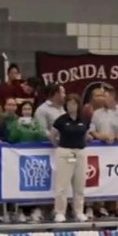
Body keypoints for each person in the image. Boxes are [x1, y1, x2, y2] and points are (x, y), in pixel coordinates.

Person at [51, 94, 91, 223]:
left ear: (78, 105)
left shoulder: (84, 120)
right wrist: (58, 146)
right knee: (62, 185)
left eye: (73, 104)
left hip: (79, 153)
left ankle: (79, 211)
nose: (70, 106)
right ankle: (60, 212)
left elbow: (86, 135)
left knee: (79, 185)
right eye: (68, 104)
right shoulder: (61, 120)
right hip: (66, 152)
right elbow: (52, 135)